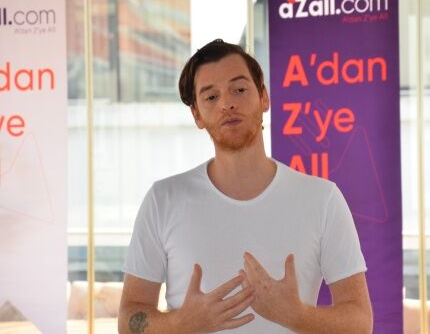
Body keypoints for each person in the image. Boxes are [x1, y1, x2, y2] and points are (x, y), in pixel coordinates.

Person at [118, 39, 373, 333]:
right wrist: (182, 323)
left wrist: (297, 316)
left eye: (239, 90)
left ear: (264, 97)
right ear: (197, 115)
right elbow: (127, 320)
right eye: (211, 96)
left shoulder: (322, 199)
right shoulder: (163, 200)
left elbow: (360, 321)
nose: (227, 103)